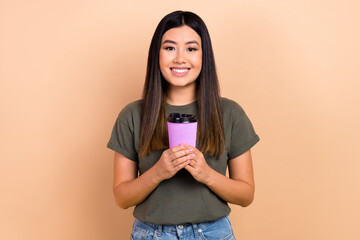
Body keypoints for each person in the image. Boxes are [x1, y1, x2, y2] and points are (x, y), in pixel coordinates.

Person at [107, 10, 260, 240]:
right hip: (151, 234)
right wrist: (158, 172)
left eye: (191, 48)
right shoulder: (132, 115)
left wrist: (206, 174)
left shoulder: (230, 113)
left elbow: (246, 195)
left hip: (213, 233)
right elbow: (121, 198)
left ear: (203, 55)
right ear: (156, 54)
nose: (180, 58)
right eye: (169, 47)